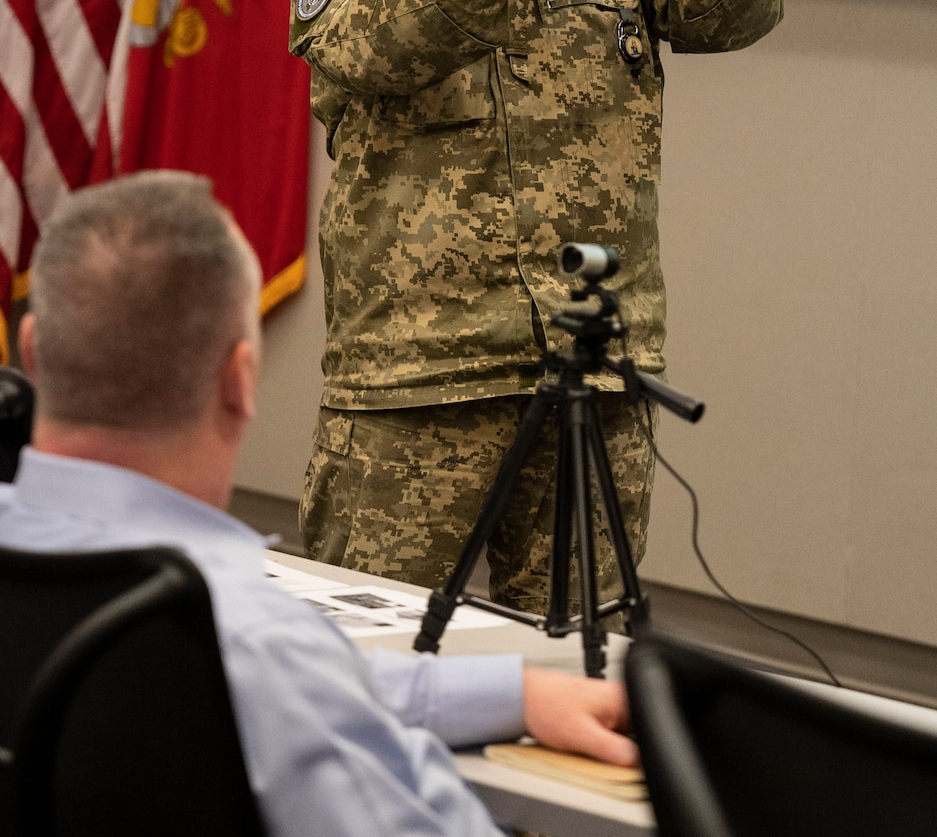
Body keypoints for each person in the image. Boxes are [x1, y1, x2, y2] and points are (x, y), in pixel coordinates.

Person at [289, 0, 784, 613]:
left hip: (588, 371)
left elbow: (744, 12)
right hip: (413, 381)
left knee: (575, 658)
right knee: (361, 660)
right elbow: (366, 48)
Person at [0, 171, 636, 837]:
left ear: (33, 354)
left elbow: (296, 683)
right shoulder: (251, 642)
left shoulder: (217, 640)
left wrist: (514, 694)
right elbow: (284, 683)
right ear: (240, 380)